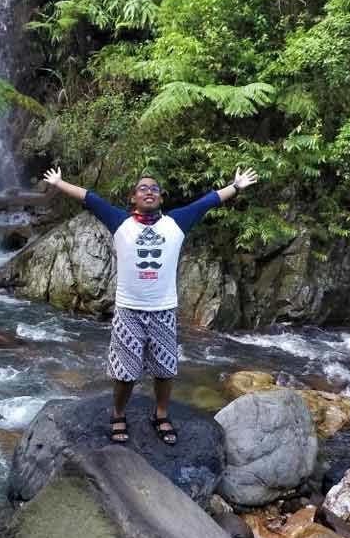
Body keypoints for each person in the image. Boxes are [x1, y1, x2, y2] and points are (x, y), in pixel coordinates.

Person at [42, 166, 259, 445]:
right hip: (128, 309)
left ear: (160, 198)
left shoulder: (176, 222)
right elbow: (91, 198)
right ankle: (118, 413)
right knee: (124, 371)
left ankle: (161, 413)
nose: (149, 191)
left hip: (163, 309)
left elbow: (208, 201)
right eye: (143, 188)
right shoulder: (120, 222)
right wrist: (59, 183)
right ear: (133, 198)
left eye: (154, 189)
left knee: (165, 369)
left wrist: (237, 186)